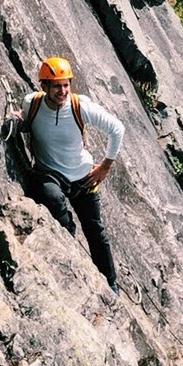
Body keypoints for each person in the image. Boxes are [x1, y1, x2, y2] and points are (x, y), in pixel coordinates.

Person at [19, 57, 123, 293]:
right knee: (52, 197)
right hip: (50, 173)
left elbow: (117, 128)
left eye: (66, 85)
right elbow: (27, 123)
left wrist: (105, 166)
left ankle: (110, 281)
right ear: (44, 86)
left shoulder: (79, 106)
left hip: (83, 176)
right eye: (57, 86)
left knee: (96, 232)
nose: (63, 91)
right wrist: (19, 122)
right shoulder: (32, 104)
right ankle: (67, 233)